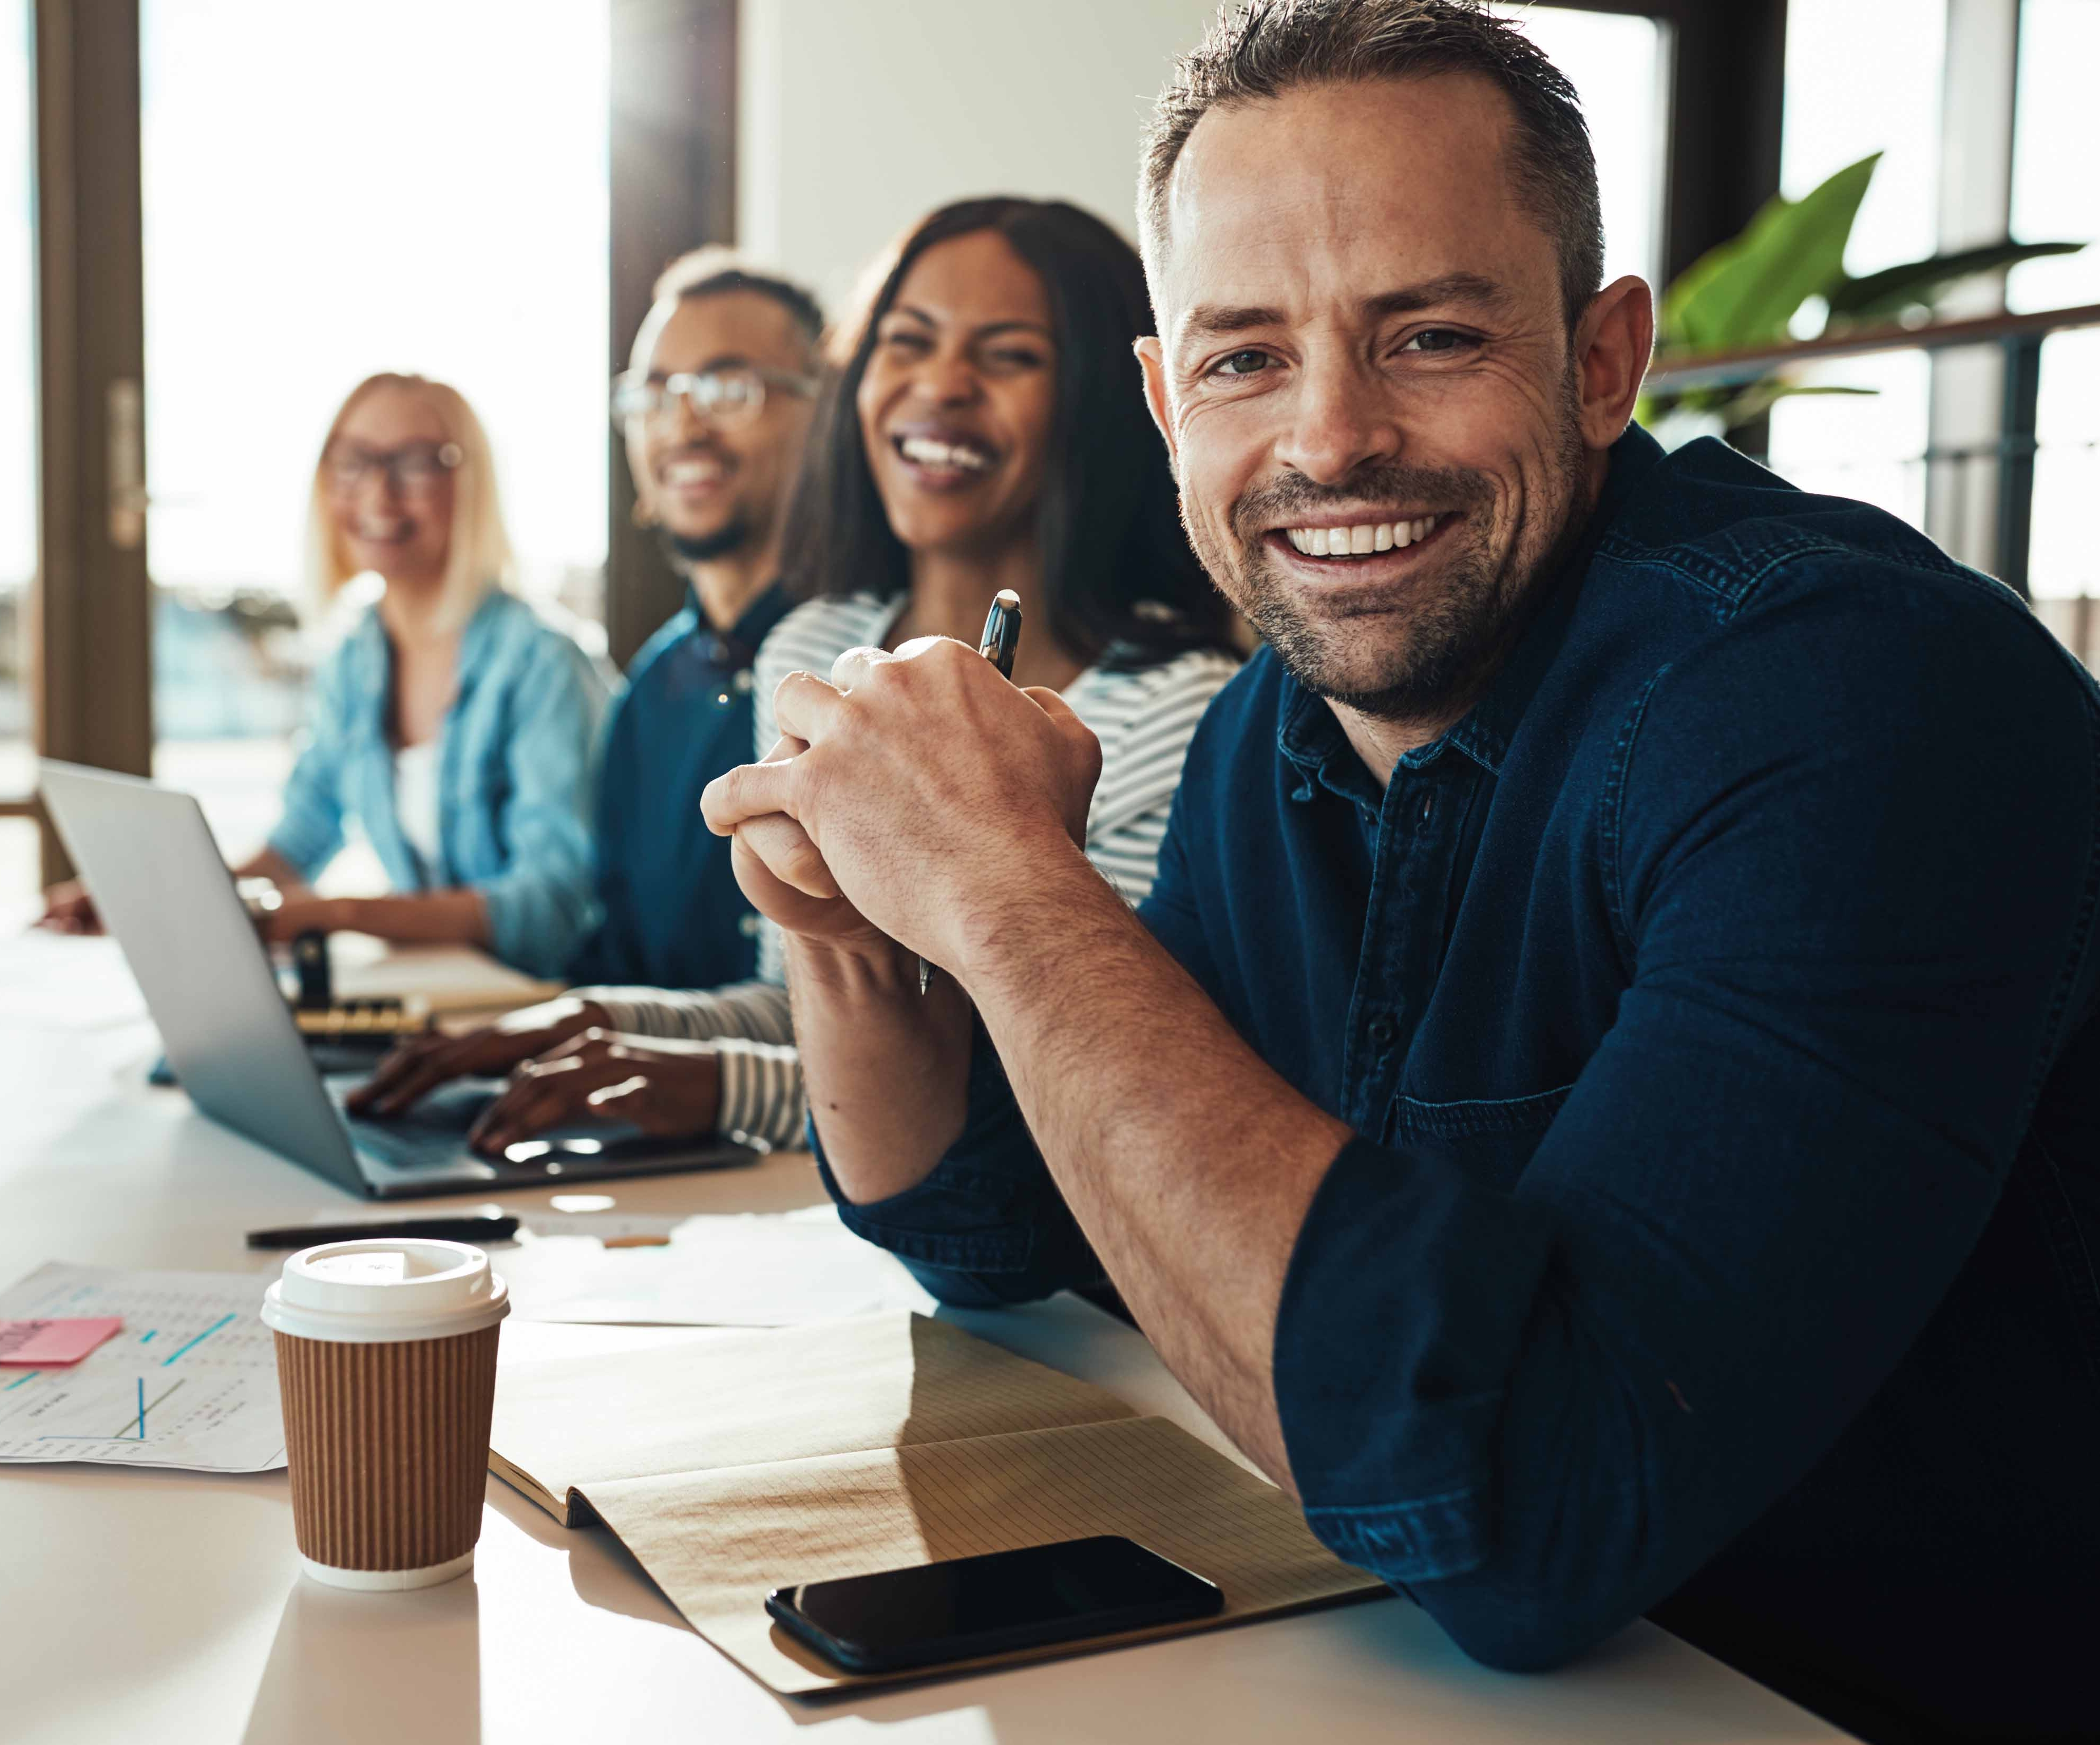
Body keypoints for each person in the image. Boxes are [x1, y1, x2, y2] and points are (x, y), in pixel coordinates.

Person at [699, 6, 2100, 1743]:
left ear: (1600, 361)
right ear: (1161, 403)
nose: (1329, 438)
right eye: (1241, 360)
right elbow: (1022, 1234)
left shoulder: (1851, 700)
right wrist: (845, 919)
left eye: (1425, 336)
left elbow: (1524, 1495)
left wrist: (1008, 895)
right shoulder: (1266, 735)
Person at [351, 197, 1243, 1155]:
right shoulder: (812, 646)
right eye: (907, 342)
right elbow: (804, 1005)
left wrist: (722, 1087)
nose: (939, 384)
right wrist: (591, 1021)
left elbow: (1075, 1069)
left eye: (1008, 354)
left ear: (1107, 399)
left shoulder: (1176, 710)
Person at [42, 373, 605, 979]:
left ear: (471, 486)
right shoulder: (356, 656)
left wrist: (331, 915)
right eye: (353, 462)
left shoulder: (544, 663)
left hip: (556, 1011)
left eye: (415, 463)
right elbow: (299, 839)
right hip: (448, 998)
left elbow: (548, 910)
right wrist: (155, 900)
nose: (378, 493)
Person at [563, 250, 824, 988]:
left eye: (724, 387)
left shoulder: (876, 658)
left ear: (829, 412)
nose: (680, 425)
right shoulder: (647, 693)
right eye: (651, 395)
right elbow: (617, 956)